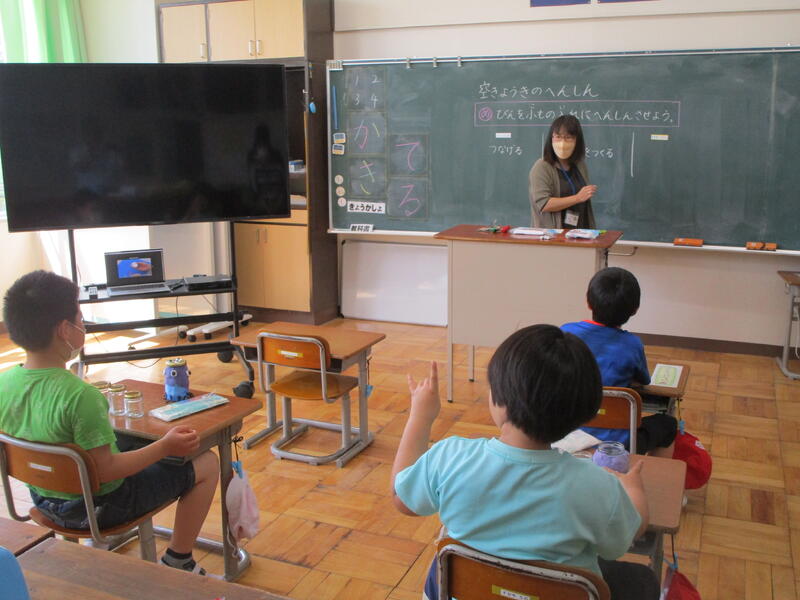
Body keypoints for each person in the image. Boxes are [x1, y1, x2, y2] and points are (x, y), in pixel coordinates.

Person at [391, 326, 660, 600]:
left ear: (499, 399)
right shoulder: (597, 487)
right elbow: (625, 539)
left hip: (458, 591)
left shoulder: (451, 457)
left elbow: (402, 500)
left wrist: (420, 417)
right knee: (643, 580)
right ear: (584, 411)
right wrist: (634, 490)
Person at [0, 270, 219, 575]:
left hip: (44, 500)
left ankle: (98, 543)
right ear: (64, 330)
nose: (84, 324)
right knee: (206, 463)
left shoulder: (4, 383)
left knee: (126, 442)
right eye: (80, 317)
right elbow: (107, 471)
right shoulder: (81, 396)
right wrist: (165, 446)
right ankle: (179, 560)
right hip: (101, 508)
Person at [562, 267, 677, 458]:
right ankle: (649, 474)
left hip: (565, 431)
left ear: (588, 301)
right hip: (616, 445)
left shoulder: (565, 333)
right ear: (635, 310)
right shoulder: (631, 344)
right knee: (668, 425)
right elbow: (643, 381)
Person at [529, 114, 597, 229]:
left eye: (568, 137)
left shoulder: (580, 165)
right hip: (553, 235)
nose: (562, 142)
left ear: (577, 140)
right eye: (558, 137)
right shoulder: (542, 167)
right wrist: (577, 198)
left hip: (580, 232)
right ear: (551, 138)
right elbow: (544, 204)